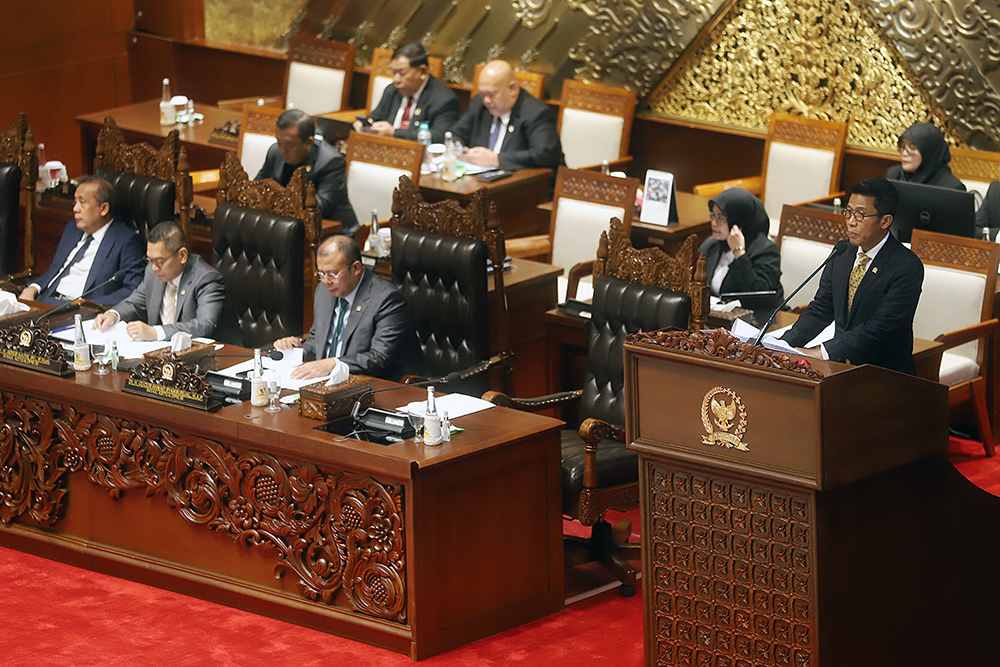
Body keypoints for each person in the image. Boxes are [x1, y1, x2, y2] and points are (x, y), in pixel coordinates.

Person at [780, 177, 924, 375]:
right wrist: (783, 345)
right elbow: (821, 309)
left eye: (860, 215)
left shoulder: (906, 267)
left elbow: (880, 327)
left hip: (883, 374)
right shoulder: (842, 252)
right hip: (839, 367)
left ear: (885, 221)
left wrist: (823, 352)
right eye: (848, 212)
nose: (851, 222)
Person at [273, 235, 420, 381]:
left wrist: (333, 363)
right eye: (321, 274)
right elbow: (317, 339)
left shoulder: (386, 299)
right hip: (328, 383)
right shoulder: (324, 291)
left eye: (332, 274)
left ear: (355, 268)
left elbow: (379, 358)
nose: (326, 281)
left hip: (378, 387)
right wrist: (297, 350)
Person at [92, 221, 242, 344]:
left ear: (182, 255)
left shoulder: (206, 278)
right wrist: (113, 315)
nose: (154, 268)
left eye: (160, 261)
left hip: (214, 359)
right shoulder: (152, 273)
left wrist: (155, 332)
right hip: (163, 356)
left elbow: (204, 325)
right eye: (149, 260)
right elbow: (135, 303)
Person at [20, 176, 144, 306]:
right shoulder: (72, 229)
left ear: (104, 209)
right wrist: (32, 289)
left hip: (79, 311)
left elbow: (133, 289)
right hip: (46, 301)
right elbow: (55, 270)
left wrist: (89, 305)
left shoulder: (126, 240)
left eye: (82, 202)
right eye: (75, 202)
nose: (75, 209)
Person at [255, 109, 359, 236]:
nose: (282, 150)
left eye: (289, 144)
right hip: (288, 228)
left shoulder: (331, 162)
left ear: (309, 142)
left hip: (331, 234)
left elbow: (321, 206)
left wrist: (278, 197)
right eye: (278, 141)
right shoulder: (274, 152)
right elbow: (258, 185)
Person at [450, 60, 565, 171]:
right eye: (482, 94)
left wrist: (496, 159)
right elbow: (456, 134)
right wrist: (461, 149)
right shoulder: (479, 105)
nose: (486, 100)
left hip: (525, 185)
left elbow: (544, 154)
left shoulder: (536, 113)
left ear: (512, 89)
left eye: (491, 94)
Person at [353, 43, 460, 144]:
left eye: (402, 73)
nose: (396, 79)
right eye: (394, 73)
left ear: (422, 71)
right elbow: (376, 116)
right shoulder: (392, 90)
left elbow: (440, 136)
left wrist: (394, 133)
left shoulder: (444, 99)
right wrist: (366, 125)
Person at [698, 187, 783, 308]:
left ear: (739, 221)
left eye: (721, 218)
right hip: (720, 319)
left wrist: (739, 254)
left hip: (761, 321)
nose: (714, 223)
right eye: (713, 215)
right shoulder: (711, 245)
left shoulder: (766, 251)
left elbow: (761, 298)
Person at [885, 122, 966, 190]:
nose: (904, 154)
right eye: (902, 147)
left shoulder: (951, 187)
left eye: (912, 148)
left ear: (928, 152)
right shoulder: (894, 175)